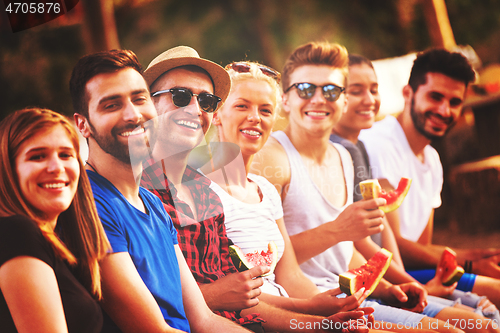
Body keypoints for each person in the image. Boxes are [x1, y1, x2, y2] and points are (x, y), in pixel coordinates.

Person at [140, 47, 373, 333]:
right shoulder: (138, 190)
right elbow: (183, 304)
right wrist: (316, 322)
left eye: (207, 101)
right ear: (146, 106)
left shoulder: (203, 193)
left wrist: (316, 314)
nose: (195, 109)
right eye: (180, 96)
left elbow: (240, 299)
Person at [251, 41, 472, 333]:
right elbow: (273, 261)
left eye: (330, 91)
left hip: (358, 294)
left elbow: (344, 253)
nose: (318, 99)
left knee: (481, 325)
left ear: (343, 101)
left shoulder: (343, 156)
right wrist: (339, 230)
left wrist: (389, 286)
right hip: (312, 306)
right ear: (285, 100)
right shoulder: (270, 160)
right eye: (305, 89)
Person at [70, 48, 254, 333]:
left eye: (138, 99)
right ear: (83, 124)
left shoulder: (150, 203)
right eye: (111, 105)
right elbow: (155, 329)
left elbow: (203, 320)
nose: (132, 115)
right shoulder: (89, 203)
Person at [331, 54, 500, 325]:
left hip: (404, 273)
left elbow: (421, 245)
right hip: (386, 277)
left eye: (454, 102)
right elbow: (393, 244)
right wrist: (467, 262)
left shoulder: (431, 159)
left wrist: (467, 259)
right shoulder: (375, 144)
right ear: (408, 93)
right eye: (435, 97)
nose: (445, 111)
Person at [0, 108, 110, 333]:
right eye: (38, 156)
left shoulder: (60, 244)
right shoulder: (15, 232)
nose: (56, 168)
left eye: (66, 155)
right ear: (9, 170)